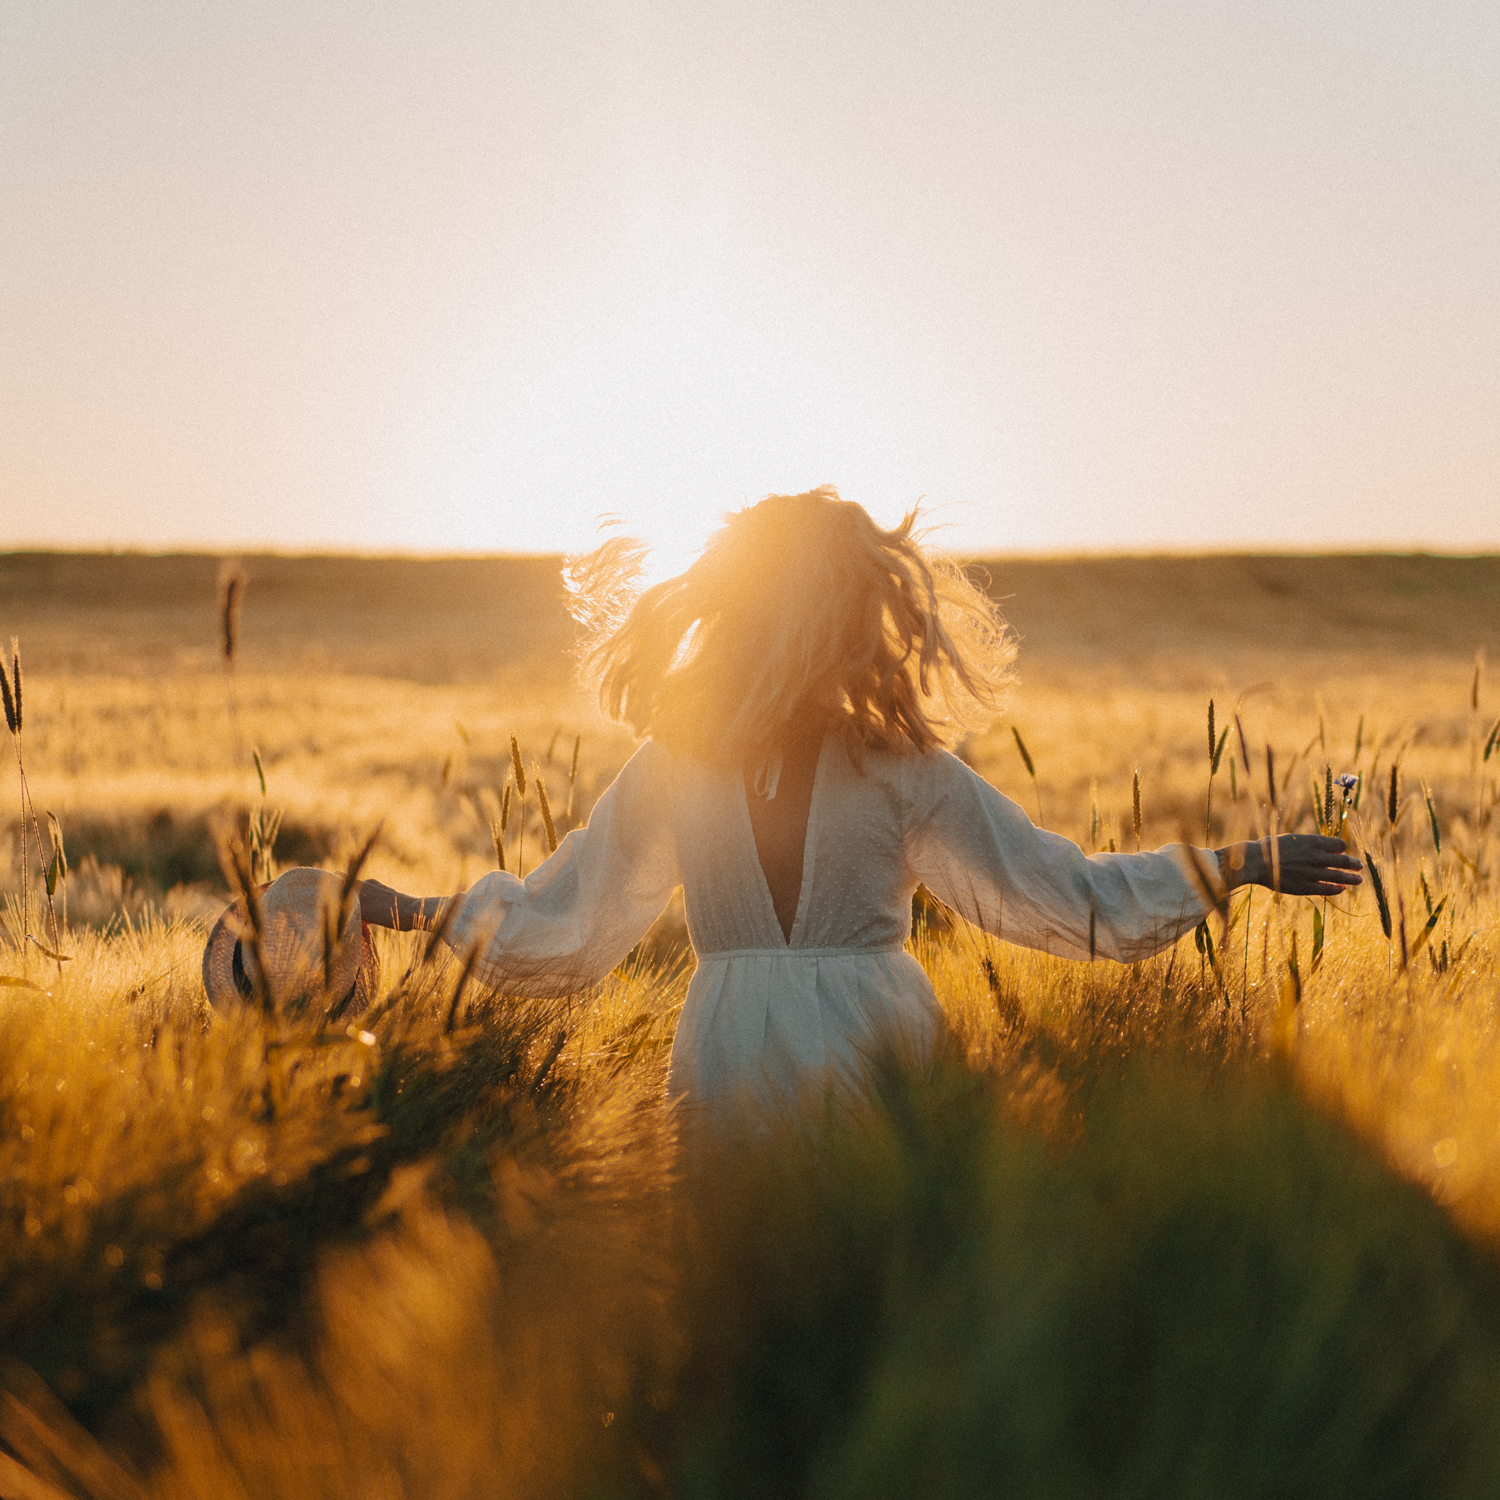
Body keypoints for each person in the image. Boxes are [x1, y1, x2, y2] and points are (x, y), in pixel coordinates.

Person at [357, 488, 1361, 1109]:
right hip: (837, 1060)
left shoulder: (726, 766)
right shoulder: (843, 768)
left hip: (767, 1060)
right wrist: (1237, 865)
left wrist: (1244, 863)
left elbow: (561, 923)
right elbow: (1065, 897)